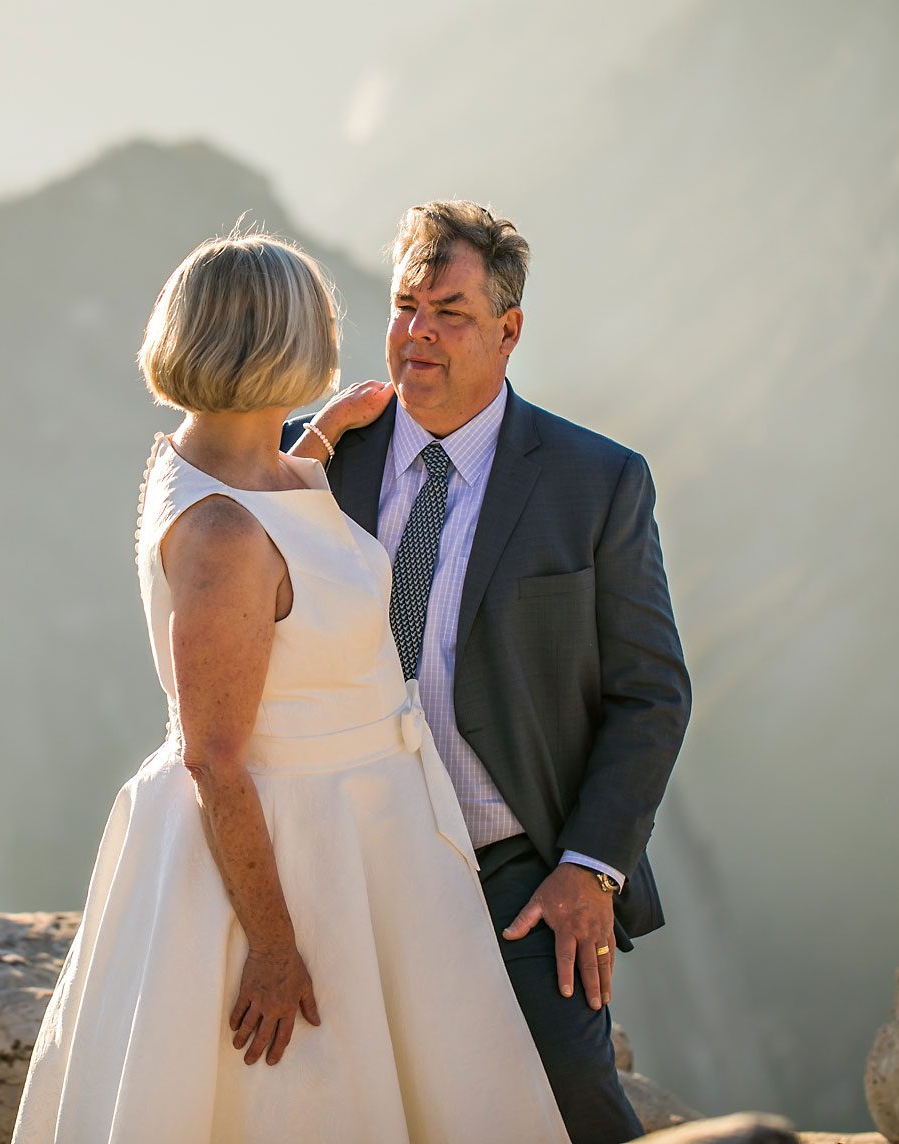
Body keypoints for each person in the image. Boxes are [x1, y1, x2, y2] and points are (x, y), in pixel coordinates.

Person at [11, 230, 570, 1143]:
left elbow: (274, 527)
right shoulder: (224, 536)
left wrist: (321, 437)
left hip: (362, 826)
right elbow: (216, 758)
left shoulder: (219, 462)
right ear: (290, 344)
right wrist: (274, 948)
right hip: (304, 847)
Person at [283, 200, 692, 1144]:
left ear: (509, 332)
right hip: (342, 859)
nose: (418, 333)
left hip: (512, 868)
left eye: (450, 314)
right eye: (405, 306)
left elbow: (650, 694)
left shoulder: (596, 482)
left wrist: (591, 870)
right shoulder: (314, 456)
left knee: (570, 1097)